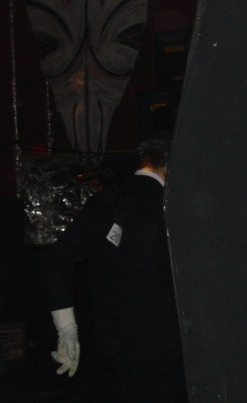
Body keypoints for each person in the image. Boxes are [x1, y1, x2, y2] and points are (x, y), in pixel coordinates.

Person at [42, 138, 188, 403]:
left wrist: (67, 330)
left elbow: (57, 260)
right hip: (166, 348)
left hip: (111, 346)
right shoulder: (174, 206)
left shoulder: (103, 201)